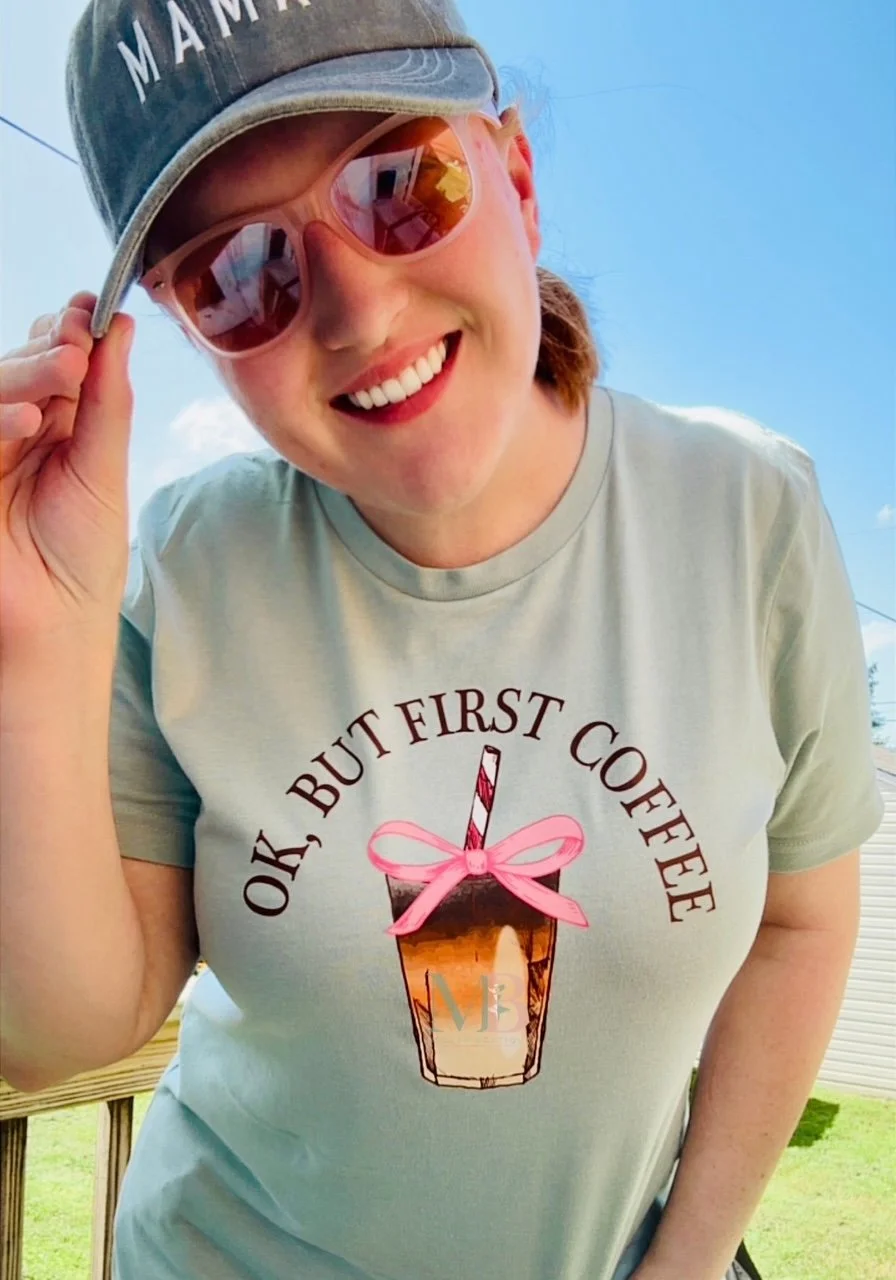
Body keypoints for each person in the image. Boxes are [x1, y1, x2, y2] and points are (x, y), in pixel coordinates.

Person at [0, 2, 884, 1278]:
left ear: (515, 177)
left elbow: (800, 920)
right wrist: (32, 638)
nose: (355, 311)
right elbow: (68, 1024)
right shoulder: (191, 566)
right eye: (236, 272)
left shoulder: (747, 511)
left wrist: (683, 1261)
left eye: (403, 182)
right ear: (189, 337)